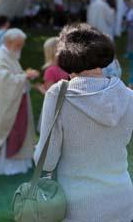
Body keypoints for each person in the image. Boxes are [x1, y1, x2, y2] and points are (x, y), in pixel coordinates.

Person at [35, 23, 133, 222]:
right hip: (123, 201)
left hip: (77, 206)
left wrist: (35, 149)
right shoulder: (128, 95)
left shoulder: (58, 94)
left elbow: (46, 161)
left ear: (65, 57)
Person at [0, 28, 39, 175]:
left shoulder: (8, 55)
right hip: (7, 103)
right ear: (9, 42)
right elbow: (5, 82)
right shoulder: (1, 57)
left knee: (18, 130)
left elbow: (11, 76)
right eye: (18, 45)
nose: (20, 48)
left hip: (14, 101)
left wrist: (23, 76)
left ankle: (17, 163)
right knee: (11, 131)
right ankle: (8, 166)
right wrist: (25, 76)